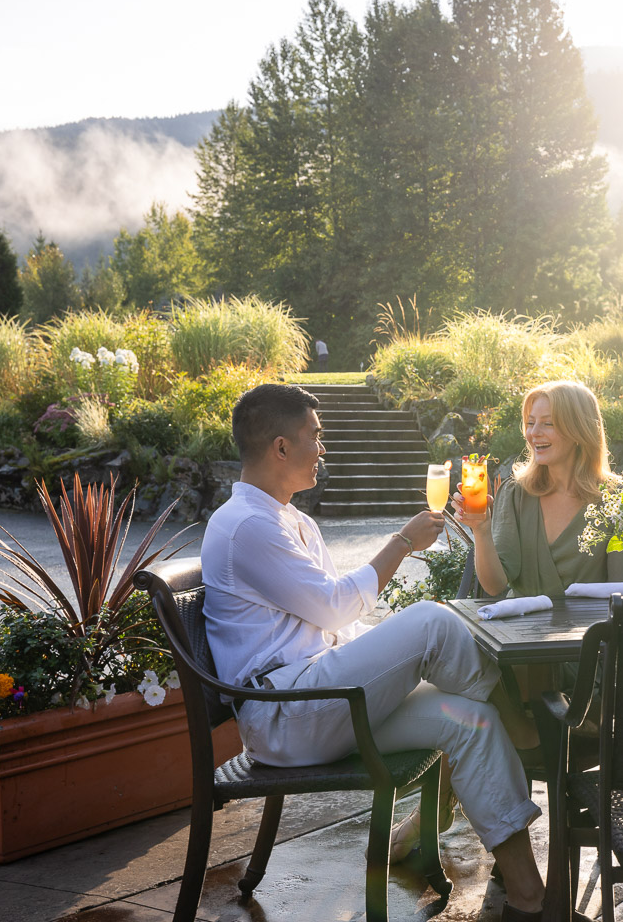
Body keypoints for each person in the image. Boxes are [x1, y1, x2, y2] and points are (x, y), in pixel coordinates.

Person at [202, 384, 574, 922]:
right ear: (281, 448)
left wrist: (394, 663)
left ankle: (530, 901)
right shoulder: (246, 526)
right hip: (286, 714)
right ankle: (525, 723)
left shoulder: (293, 521)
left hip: (327, 701)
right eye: (315, 436)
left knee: (471, 720)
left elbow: (339, 624)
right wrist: (400, 543)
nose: (322, 448)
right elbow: (334, 607)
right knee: (430, 621)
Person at [455, 379, 623, 600]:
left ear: (578, 430)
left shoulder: (619, 499)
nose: (533, 433)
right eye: (530, 422)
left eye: (548, 423)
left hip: (590, 632)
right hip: (520, 631)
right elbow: (494, 586)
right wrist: (481, 529)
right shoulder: (515, 493)